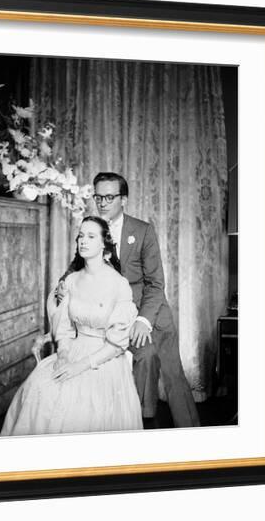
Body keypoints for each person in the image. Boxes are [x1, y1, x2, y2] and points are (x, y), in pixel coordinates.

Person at [0, 216, 143, 436]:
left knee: (85, 409)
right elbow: (64, 328)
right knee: (40, 390)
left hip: (105, 358)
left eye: (91, 236)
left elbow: (117, 344)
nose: (83, 241)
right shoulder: (72, 281)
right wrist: (65, 354)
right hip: (73, 349)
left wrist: (80, 366)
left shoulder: (119, 284)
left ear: (104, 243)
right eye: (81, 236)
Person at [88, 172, 200, 427]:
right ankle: (141, 421)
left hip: (152, 313)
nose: (102, 202)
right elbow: (79, 267)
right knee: (145, 358)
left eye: (109, 197)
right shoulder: (91, 229)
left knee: (173, 375)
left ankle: (194, 435)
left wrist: (143, 320)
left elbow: (156, 283)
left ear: (123, 199)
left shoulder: (142, 231)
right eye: (98, 197)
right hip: (114, 316)